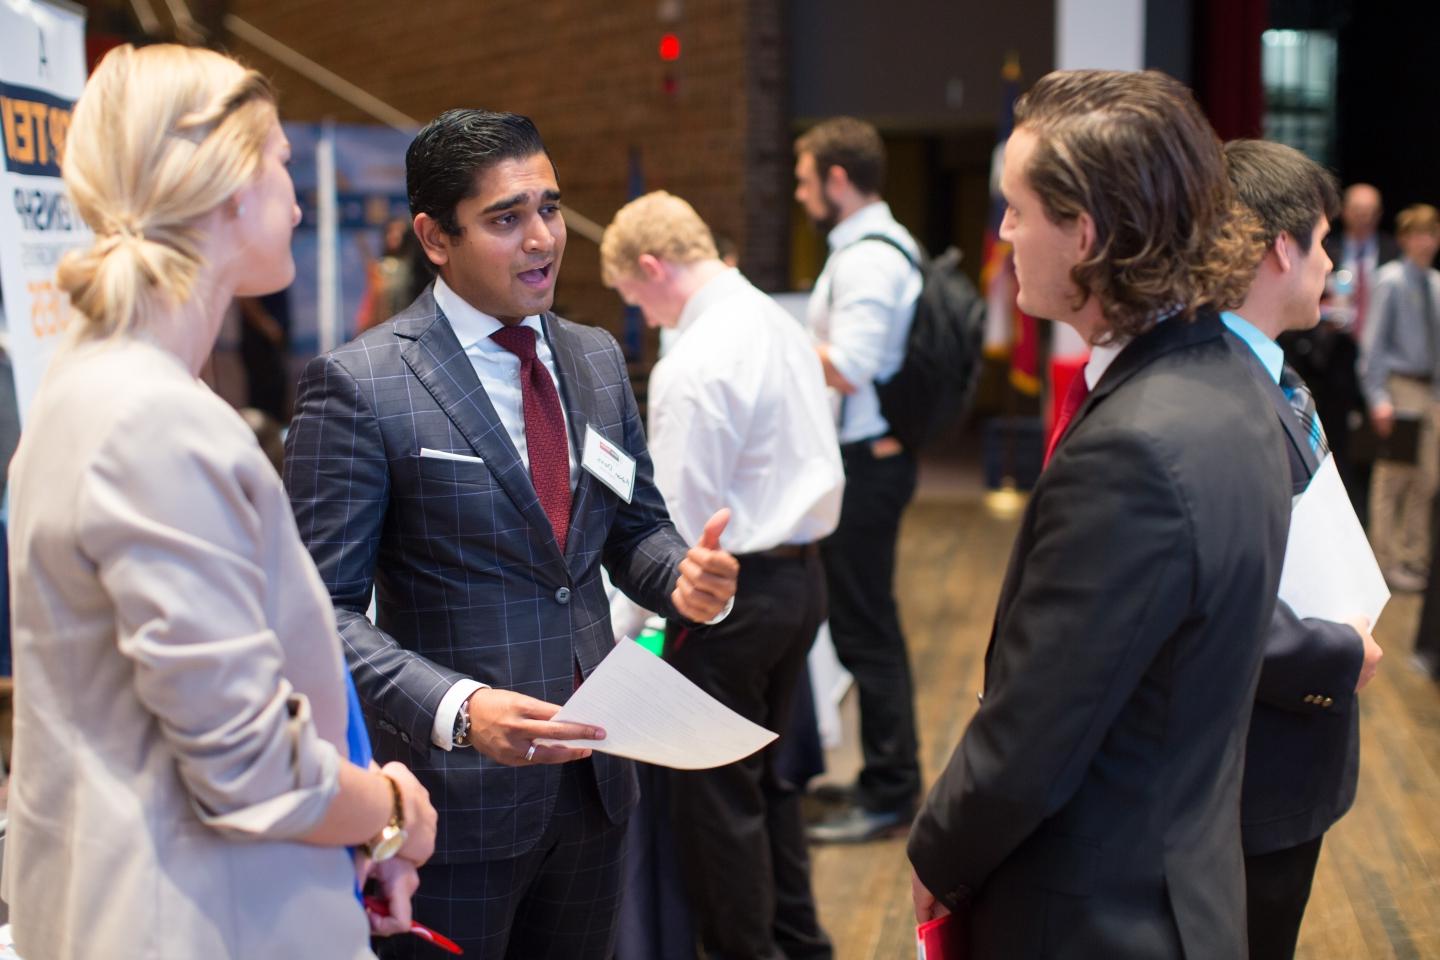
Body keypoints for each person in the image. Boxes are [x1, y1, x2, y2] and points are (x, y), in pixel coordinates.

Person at [3, 44, 437, 960]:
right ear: (232, 183)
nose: (298, 195)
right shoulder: (148, 420)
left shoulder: (120, 391)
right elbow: (245, 765)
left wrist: (354, 829)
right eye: (281, 163)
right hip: (195, 916)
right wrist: (393, 808)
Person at [284, 109, 740, 959]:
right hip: (453, 805)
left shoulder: (597, 358)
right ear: (434, 236)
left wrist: (682, 578)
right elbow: (321, 615)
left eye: (551, 209)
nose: (542, 240)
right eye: (506, 219)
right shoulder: (362, 386)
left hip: (598, 786)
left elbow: (631, 529)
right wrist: (460, 710)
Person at [906, 69, 1291, 958]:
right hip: (1183, 878)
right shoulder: (1233, 381)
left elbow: (1038, 735)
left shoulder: (1137, 448)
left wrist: (936, 852)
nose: (1003, 235)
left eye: (1016, 210)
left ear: (1085, 234)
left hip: (1095, 914)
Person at [601, 190, 843, 960]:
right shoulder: (776, 318)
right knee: (769, 787)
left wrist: (622, 645)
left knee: (717, 806)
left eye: (629, 294)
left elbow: (670, 531)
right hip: (802, 583)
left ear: (650, 267)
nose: (638, 310)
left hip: (728, 598)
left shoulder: (695, 361)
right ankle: (800, 943)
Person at [1223, 138, 1385, 960]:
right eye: (1321, 242)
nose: (1330, 262)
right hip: (1250, 770)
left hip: (1284, 755)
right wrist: (1333, 651)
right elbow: (1219, 600)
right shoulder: (1216, 394)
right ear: (1281, 249)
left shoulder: (1276, 377)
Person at [793, 116, 925, 843]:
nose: (801, 192)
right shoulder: (868, 248)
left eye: (806, 179)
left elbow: (852, 364)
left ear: (838, 181)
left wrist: (775, 336)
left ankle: (892, 791)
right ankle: (885, 780)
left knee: (867, 630)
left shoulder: (870, 258)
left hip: (870, 464)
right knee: (862, 625)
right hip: (870, 457)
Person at [1283, 183, 1398, 520]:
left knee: (1386, 459)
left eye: (1369, 212)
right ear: (1344, 212)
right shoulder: (1327, 249)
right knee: (1337, 452)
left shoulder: (1393, 253)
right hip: (1333, 365)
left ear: (1378, 216)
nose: (1362, 218)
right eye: (1356, 210)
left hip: (1385, 364)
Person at [1361, 203, 1440, 592]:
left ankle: (1413, 556)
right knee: (1392, 476)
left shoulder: (1436, 284)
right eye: (1419, 233)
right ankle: (1384, 561)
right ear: (1405, 238)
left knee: (1427, 478)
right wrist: (1378, 397)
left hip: (1430, 390)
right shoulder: (1390, 280)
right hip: (1399, 385)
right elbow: (1372, 344)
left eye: (1432, 233)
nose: (1427, 241)